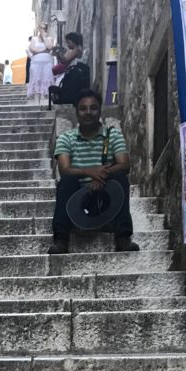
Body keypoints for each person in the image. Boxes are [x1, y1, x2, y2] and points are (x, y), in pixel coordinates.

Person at [48, 88, 139, 254]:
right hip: (77, 200)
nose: (88, 113)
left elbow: (124, 165)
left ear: (99, 110)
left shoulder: (112, 135)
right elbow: (64, 170)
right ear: (76, 112)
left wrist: (101, 176)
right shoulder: (66, 138)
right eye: (83, 108)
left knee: (119, 177)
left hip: (105, 198)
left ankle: (123, 238)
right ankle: (61, 239)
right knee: (66, 181)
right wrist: (89, 172)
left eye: (93, 108)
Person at [26, 23, 55, 101]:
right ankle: (36, 99)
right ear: (38, 29)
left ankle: (45, 99)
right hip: (36, 63)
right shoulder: (34, 39)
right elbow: (32, 49)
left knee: (47, 79)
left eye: (44, 28)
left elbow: (49, 47)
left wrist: (44, 38)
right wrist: (43, 50)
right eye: (41, 28)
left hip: (47, 63)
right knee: (36, 79)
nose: (43, 30)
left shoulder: (49, 39)